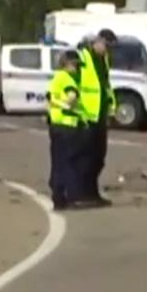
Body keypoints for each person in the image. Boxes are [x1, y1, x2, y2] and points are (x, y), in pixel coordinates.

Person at [76, 28, 117, 205]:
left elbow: (106, 86)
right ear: (98, 41)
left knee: (99, 158)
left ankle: (93, 194)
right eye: (106, 45)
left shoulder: (105, 60)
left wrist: (111, 108)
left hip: (100, 115)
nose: (107, 50)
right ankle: (81, 194)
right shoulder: (83, 58)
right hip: (86, 117)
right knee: (86, 158)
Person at [46, 50, 85, 210]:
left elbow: (49, 100)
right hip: (67, 126)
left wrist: (55, 106)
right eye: (76, 65)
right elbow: (71, 98)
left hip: (56, 125)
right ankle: (71, 197)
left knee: (57, 163)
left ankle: (58, 197)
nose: (77, 68)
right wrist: (69, 106)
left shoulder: (55, 79)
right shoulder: (66, 79)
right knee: (70, 163)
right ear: (68, 64)